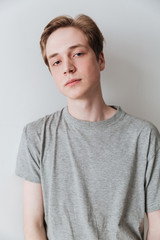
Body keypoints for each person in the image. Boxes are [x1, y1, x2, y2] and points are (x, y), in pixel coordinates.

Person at [15, 14, 160, 240]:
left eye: (78, 54)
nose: (68, 68)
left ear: (100, 59)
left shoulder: (144, 136)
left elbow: (158, 226)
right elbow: (33, 225)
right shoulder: (36, 135)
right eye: (56, 61)